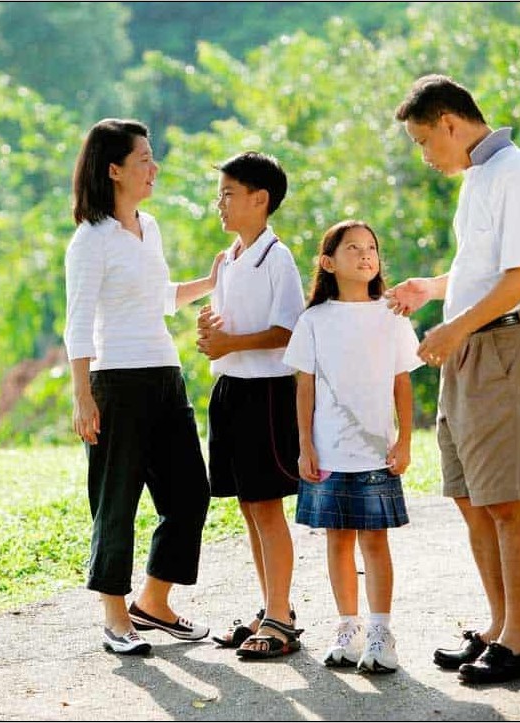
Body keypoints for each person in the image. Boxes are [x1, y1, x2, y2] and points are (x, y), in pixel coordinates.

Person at [386, 74, 520, 684]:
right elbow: (482, 267)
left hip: (506, 348)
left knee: (507, 500)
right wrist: (432, 290)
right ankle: (496, 626)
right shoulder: (480, 177)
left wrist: (453, 327)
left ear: (451, 124)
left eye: (424, 141)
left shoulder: (516, 172)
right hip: (470, 350)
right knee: (469, 495)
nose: (425, 156)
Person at [64, 118, 222, 655]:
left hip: (163, 374)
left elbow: (160, 298)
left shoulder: (148, 228)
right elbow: (78, 320)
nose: (154, 169)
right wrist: (82, 394)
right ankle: (114, 617)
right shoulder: (90, 240)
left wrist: (212, 280)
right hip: (115, 381)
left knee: (189, 495)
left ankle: (154, 603)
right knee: (116, 501)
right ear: (114, 170)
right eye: (144, 161)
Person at [283, 220, 422, 674]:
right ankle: (349, 627)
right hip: (328, 452)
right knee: (337, 541)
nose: (365, 255)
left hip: (376, 452)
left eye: (371, 248)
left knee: (375, 541)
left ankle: (381, 632)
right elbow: (304, 388)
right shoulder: (314, 320)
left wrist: (405, 439)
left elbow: (402, 382)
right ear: (328, 262)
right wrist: (305, 445)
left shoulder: (392, 315)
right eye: (353, 248)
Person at [195, 151, 306, 660]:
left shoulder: (275, 257)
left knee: (266, 506)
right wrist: (211, 334)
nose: (219, 203)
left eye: (228, 193)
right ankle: (270, 607)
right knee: (247, 506)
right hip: (231, 391)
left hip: (265, 393)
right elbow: (225, 327)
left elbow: (288, 330)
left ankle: (281, 619)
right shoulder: (230, 259)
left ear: (260, 200)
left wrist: (230, 344)